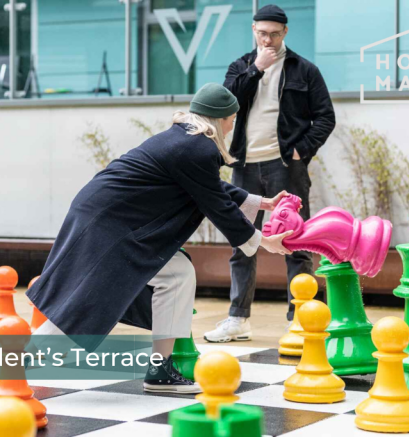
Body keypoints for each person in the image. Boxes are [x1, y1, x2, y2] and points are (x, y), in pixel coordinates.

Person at [27, 83, 294, 394]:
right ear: (219, 118)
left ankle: (158, 369)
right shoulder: (198, 147)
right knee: (91, 293)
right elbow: (217, 204)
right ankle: (23, 363)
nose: (232, 126)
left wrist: (261, 203)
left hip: (110, 216)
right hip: (113, 223)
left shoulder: (186, 139)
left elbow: (208, 187)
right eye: (232, 119)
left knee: (164, 277)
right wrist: (263, 241)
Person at [204, 4, 336, 343]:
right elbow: (227, 105)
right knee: (242, 241)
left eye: (274, 34)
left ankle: (299, 318)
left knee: (296, 242)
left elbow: (325, 116)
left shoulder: (305, 70)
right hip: (245, 166)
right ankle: (238, 319)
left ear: (285, 32)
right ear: (254, 30)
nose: (268, 40)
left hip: (286, 168)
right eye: (262, 33)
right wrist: (257, 70)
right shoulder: (240, 67)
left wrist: (300, 151)